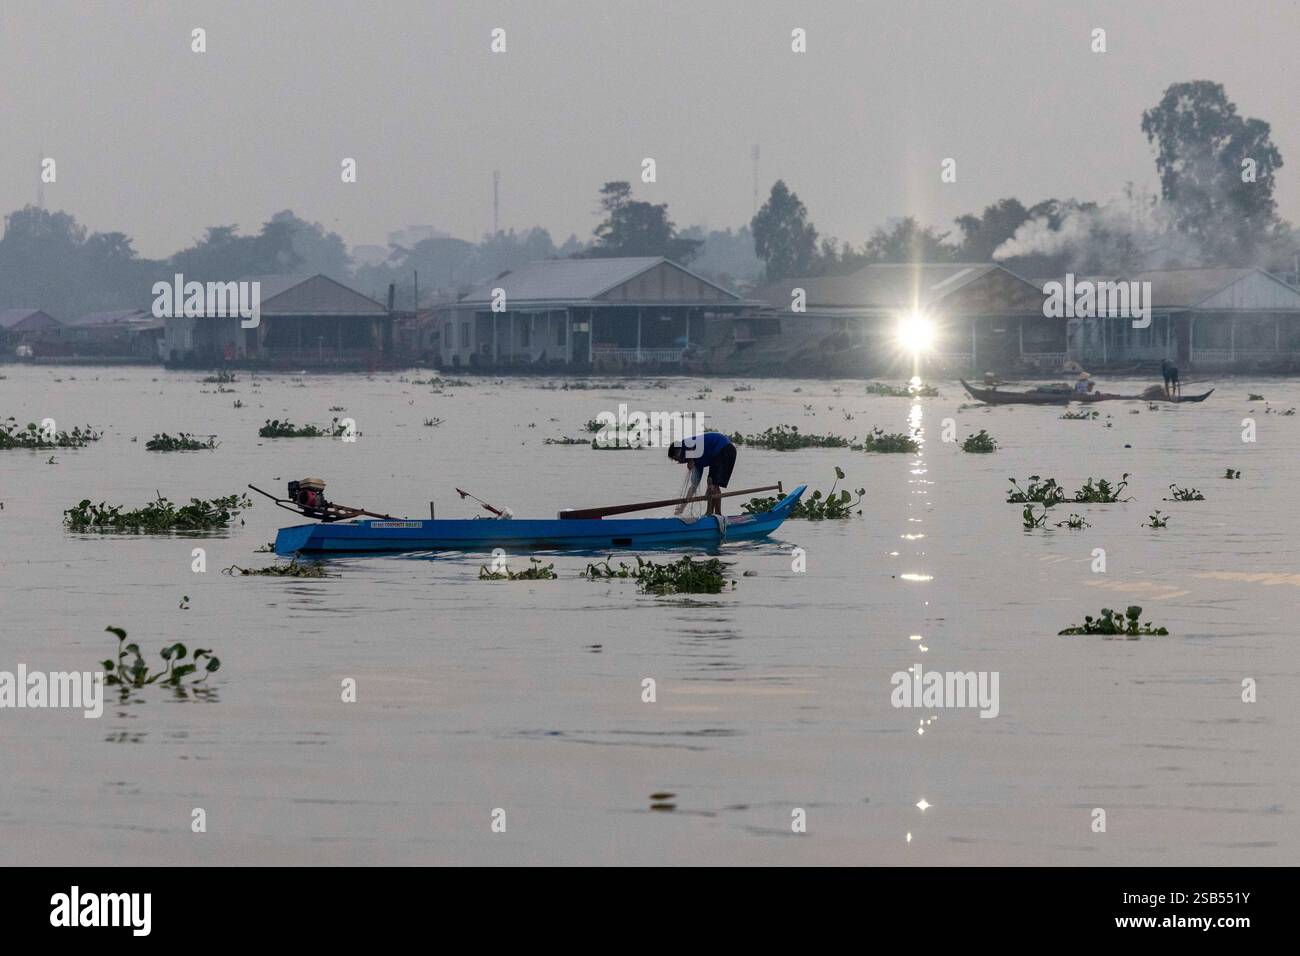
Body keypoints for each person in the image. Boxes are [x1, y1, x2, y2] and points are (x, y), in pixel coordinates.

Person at [667, 432, 736, 516]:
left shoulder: (684, 444)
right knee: (711, 484)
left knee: (713, 485)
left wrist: (690, 460)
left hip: (724, 448)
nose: (678, 462)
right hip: (721, 454)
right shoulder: (698, 462)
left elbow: (690, 443)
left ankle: (717, 514)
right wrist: (681, 508)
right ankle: (710, 513)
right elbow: (693, 487)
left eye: (676, 459)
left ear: (678, 453)